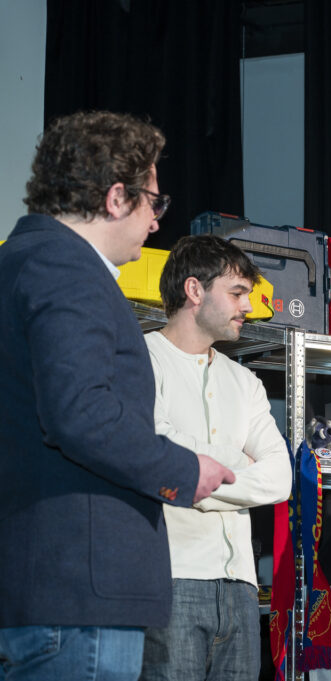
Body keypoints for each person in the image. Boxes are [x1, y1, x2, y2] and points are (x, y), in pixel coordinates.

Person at [0, 111, 235, 681]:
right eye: (154, 201)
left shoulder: (22, 261)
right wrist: (183, 469)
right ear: (115, 197)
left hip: (45, 590)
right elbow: (80, 414)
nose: (156, 222)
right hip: (76, 594)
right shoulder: (67, 269)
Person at [139, 235, 292, 680]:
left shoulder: (244, 381)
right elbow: (155, 452)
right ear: (194, 290)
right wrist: (239, 462)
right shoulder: (141, 360)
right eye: (237, 292)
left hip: (242, 590)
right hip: (172, 579)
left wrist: (192, 482)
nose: (247, 306)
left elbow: (280, 478)